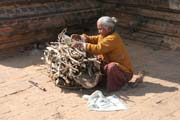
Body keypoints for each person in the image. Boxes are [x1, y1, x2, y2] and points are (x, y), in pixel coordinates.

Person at [71, 16, 133, 92]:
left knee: (112, 67)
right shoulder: (104, 35)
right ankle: (104, 81)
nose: (99, 31)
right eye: (98, 29)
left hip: (124, 72)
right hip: (109, 64)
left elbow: (99, 49)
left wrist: (82, 45)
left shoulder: (113, 38)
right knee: (96, 62)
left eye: (100, 29)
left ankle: (116, 86)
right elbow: (93, 39)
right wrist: (82, 37)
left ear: (109, 29)